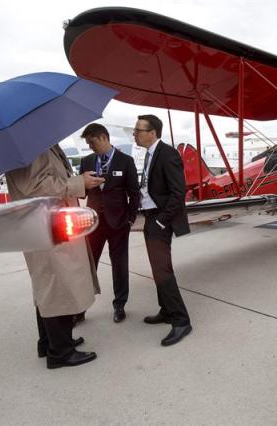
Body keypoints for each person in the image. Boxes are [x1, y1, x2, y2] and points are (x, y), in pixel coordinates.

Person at [5, 144, 104, 369]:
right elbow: (34, 186)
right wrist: (79, 182)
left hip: (46, 224)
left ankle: (51, 341)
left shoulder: (34, 146)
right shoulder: (31, 148)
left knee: (49, 284)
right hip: (46, 227)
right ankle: (60, 351)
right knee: (57, 285)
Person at [133, 114, 192, 346]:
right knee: (157, 270)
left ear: (152, 133)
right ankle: (166, 311)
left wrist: (161, 221)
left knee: (163, 270)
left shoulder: (168, 154)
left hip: (159, 220)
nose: (135, 134)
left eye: (138, 130)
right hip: (150, 218)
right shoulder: (150, 154)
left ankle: (181, 320)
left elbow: (179, 193)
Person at [79, 123, 140, 323]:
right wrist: (80, 183)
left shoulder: (125, 161)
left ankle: (119, 305)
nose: (91, 147)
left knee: (119, 265)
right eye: (88, 143)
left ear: (104, 137)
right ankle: (80, 309)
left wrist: (130, 219)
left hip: (119, 223)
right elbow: (82, 192)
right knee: (89, 266)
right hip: (94, 223)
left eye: (93, 142)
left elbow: (134, 193)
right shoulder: (87, 161)